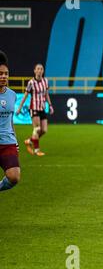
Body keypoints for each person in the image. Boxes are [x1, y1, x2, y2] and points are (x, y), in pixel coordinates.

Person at [16, 63, 54, 156]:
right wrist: (19, 107)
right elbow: (25, 96)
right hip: (34, 108)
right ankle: (37, 150)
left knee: (44, 130)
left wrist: (50, 105)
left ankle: (29, 141)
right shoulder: (31, 82)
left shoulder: (45, 81)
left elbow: (46, 94)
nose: (40, 70)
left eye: (41, 69)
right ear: (34, 71)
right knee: (37, 129)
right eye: (38, 69)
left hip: (42, 108)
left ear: (43, 71)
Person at [0, 50, 20, 192]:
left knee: (14, 177)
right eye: (0, 74)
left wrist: (16, 140)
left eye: (6, 74)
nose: (3, 77)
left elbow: (10, 119)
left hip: (8, 142)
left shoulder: (12, 95)